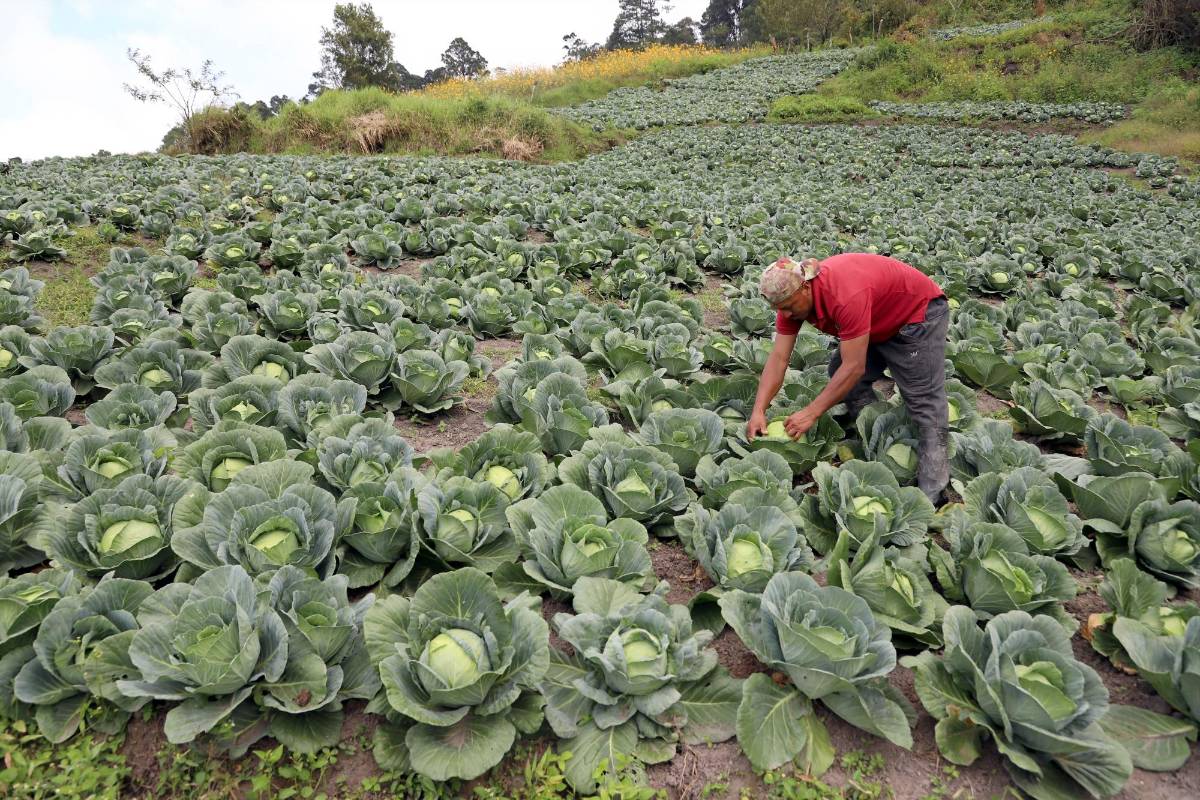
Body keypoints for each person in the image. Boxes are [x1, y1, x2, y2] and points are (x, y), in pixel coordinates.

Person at [746, 254, 951, 504]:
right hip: (877, 317)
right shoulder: (788, 302)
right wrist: (759, 409)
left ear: (806, 286)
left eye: (789, 306)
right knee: (840, 376)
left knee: (925, 403)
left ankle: (933, 493)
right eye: (780, 309)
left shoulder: (844, 295)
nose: (786, 314)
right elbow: (779, 359)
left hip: (917, 314)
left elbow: (854, 367)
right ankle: (877, 436)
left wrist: (811, 413)